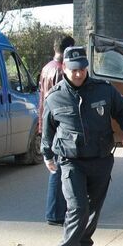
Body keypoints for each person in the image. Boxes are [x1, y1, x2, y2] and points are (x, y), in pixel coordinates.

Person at [41, 46, 123, 246]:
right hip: (71, 161)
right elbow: (47, 129)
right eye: (74, 70)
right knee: (77, 208)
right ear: (64, 68)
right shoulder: (55, 96)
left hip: (101, 160)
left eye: (83, 69)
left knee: (93, 211)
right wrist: (47, 155)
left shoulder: (104, 90)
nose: (78, 74)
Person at [39, 34, 75, 226]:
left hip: (48, 124)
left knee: (56, 168)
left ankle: (56, 211)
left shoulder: (46, 68)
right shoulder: (62, 72)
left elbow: (41, 100)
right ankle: (55, 213)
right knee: (59, 170)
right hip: (58, 126)